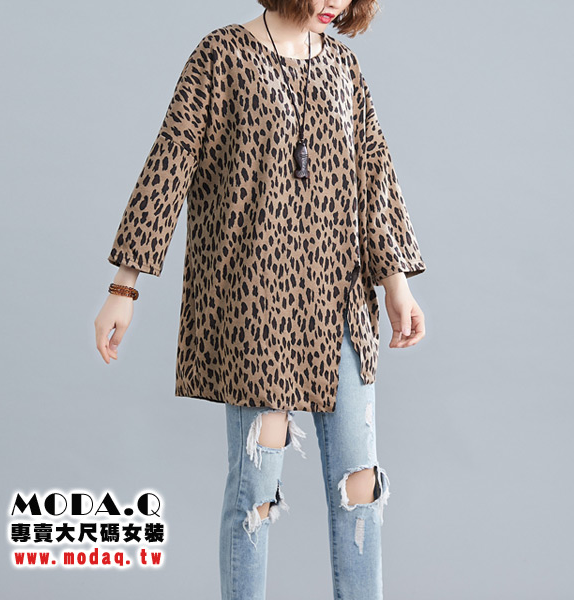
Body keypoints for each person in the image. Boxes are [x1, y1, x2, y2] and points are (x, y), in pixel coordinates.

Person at [95, 1, 427, 598]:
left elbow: (374, 173)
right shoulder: (221, 55)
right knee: (257, 491)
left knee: (361, 486)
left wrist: (396, 283)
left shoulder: (345, 69)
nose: (335, 2)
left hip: (340, 304)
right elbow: (170, 163)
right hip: (256, 303)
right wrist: (125, 285)